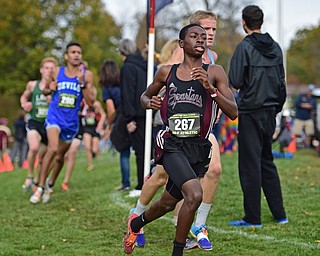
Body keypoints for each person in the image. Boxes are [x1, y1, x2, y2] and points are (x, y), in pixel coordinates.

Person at [123, 24, 238, 256]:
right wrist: (150, 103)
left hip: (198, 147)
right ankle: (177, 252)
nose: (200, 40)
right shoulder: (167, 72)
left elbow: (234, 111)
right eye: (194, 36)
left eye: (203, 37)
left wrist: (210, 89)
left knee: (167, 202)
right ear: (182, 44)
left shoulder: (215, 72)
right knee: (194, 194)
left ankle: (135, 225)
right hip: (172, 143)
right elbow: (145, 96)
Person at [228, 5, 288, 227]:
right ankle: (280, 214)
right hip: (270, 110)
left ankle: (253, 217)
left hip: (251, 111)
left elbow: (234, 80)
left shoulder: (244, 47)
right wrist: (277, 107)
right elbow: (281, 81)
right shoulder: (276, 47)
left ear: (244, 22)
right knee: (267, 160)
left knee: (250, 164)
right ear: (260, 22)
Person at [30, 42, 95, 204]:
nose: (76, 55)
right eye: (73, 52)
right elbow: (44, 89)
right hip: (54, 117)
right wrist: (49, 88)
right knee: (52, 148)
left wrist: (82, 84)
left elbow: (91, 102)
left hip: (71, 122)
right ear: (66, 56)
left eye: (79, 52)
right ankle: (39, 187)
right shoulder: (57, 71)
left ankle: (49, 184)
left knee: (60, 157)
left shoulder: (86, 75)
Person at [20, 57, 57, 190]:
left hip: (49, 125)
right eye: (46, 68)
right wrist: (25, 104)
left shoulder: (56, 87)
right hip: (34, 121)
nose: (49, 71)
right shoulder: (32, 84)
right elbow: (24, 96)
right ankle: (30, 175)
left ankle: (38, 180)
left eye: (51, 68)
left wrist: (52, 102)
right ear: (41, 70)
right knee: (34, 148)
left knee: (43, 158)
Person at [118, 39, 148, 197]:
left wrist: (129, 118)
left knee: (140, 151)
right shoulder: (144, 65)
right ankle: (146, 181)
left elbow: (127, 93)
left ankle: (142, 184)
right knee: (146, 150)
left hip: (136, 115)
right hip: (147, 112)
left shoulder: (128, 67)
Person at [100, 60, 132, 191]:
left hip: (120, 120)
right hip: (131, 116)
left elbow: (111, 110)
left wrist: (109, 125)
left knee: (124, 152)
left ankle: (125, 183)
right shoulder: (123, 84)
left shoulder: (107, 89)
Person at [82, 90, 106, 171]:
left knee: (94, 149)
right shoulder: (83, 103)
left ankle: (97, 156)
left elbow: (103, 115)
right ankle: (90, 164)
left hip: (95, 128)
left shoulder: (96, 104)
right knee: (87, 146)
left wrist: (100, 124)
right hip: (86, 128)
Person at [292, 84, 317, 148]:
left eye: (311, 90)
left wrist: (303, 105)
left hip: (308, 118)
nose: (310, 91)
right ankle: (296, 145)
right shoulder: (301, 96)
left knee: (310, 133)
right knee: (296, 133)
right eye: (309, 90)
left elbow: (312, 106)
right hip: (299, 118)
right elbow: (298, 104)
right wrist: (306, 105)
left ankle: (307, 146)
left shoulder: (313, 98)